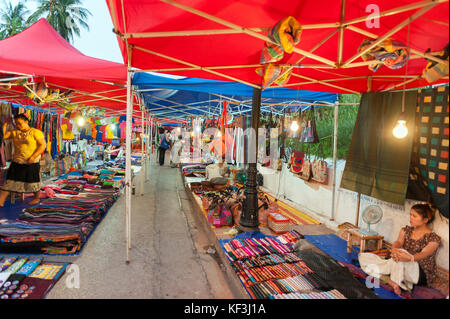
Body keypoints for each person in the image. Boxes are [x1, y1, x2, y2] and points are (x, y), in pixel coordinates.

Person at [387, 203, 441, 295]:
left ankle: (394, 281)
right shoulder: (406, 230)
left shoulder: (434, 238)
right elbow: (398, 242)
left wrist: (408, 258)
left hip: (420, 271)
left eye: (414, 216)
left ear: (425, 220)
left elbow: (423, 253)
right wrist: (394, 250)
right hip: (402, 261)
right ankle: (399, 283)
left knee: (396, 261)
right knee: (369, 259)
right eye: (410, 214)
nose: (411, 218)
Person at [0, 114, 46, 206]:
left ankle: (36, 198)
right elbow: (3, 136)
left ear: (26, 122)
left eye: (20, 123)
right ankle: (0, 201)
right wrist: (5, 124)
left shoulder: (35, 132)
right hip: (17, 161)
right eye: (16, 123)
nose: (18, 125)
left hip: (31, 162)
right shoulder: (15, 132)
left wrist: (33, 157)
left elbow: (42, 146)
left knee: (33, 181)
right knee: (9, 181)